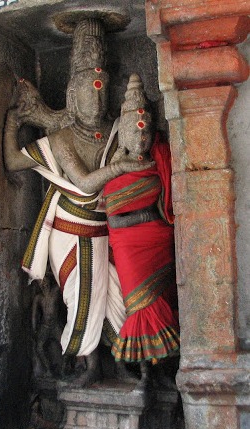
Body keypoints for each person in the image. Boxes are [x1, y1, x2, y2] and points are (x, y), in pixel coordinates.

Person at [4, 20, 154, 387]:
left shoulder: (113, 132)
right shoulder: (62, 138)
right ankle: (88, 367)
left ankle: (121, 361)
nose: (97, 100)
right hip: (70, 233)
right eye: (89, 92)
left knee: (119, 296)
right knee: (84, 294)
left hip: (106, 230)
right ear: (73, 96)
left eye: (102, 93)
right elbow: (82, 182)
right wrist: (11, 124)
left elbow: (135, 146)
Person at [103, 74, 180, 382]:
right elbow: (114, 220)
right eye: (135, 134)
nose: (142, 140)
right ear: (122, 135)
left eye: (146, 133)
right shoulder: (116, 174)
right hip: (129, 247)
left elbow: (168, 201)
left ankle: (161, 371)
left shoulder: (159, 162)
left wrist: (154, 216)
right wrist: (149, 216)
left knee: (162, 297)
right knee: (139, 305)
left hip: (159, 242)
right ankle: (145, 369)